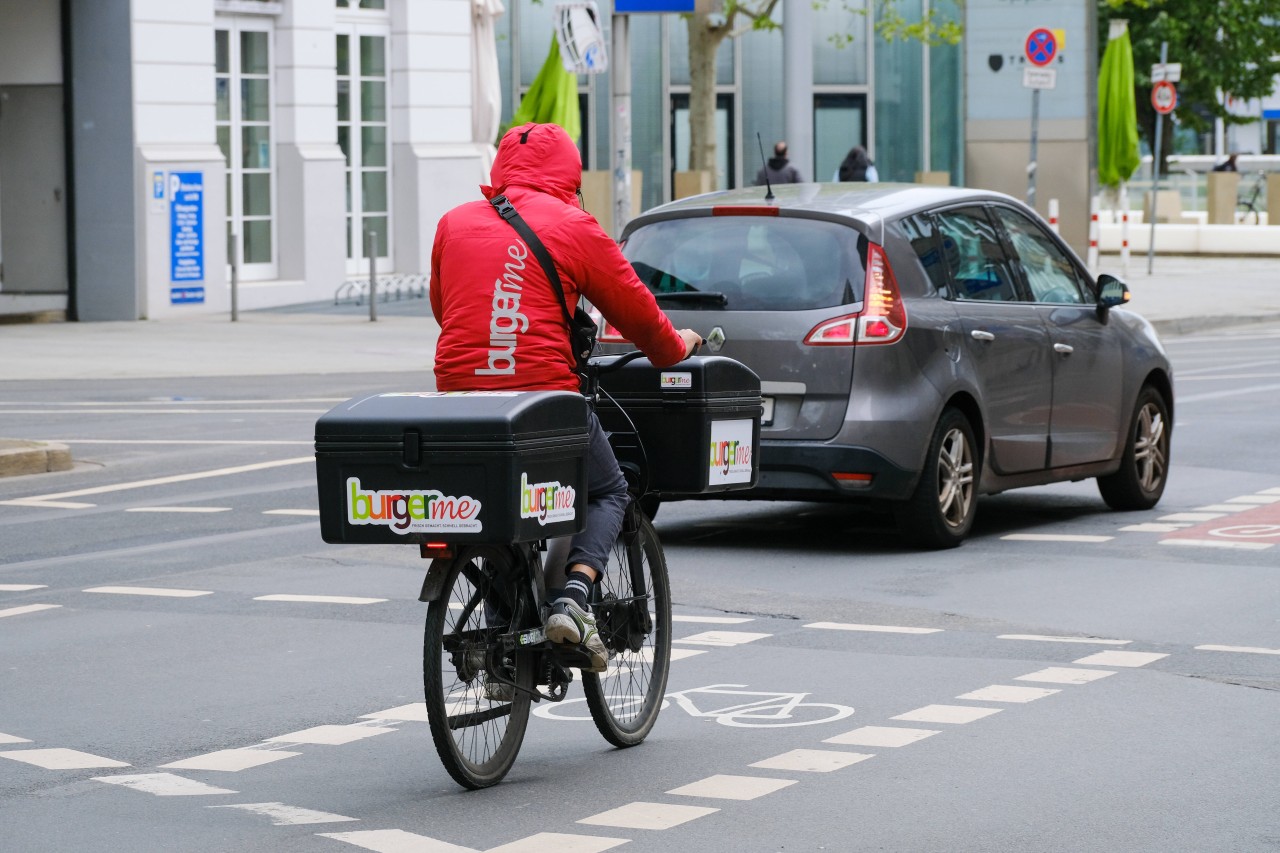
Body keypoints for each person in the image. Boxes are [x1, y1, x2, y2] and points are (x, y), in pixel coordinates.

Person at [429, 122, 702, 673]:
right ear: (569, 177)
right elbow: (638, 312)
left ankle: (501, 644)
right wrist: (678, 347)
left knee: (495, 510)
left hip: (460, 399)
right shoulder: (575, 225)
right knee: (608, 489)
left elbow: (446, 308)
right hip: (542, 398)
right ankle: (574, 599)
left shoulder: (453, 224)